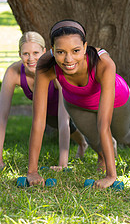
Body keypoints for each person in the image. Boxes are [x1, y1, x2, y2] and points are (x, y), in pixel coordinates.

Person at [26, 20, 130, 188]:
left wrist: (111, 176)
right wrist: (32, 172)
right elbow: (39, 120)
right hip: (77, 102)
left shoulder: (103, 63)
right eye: (60, 52)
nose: (68, 59)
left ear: (84, 47)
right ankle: (103, 157)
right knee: (94, 139)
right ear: (52, 50)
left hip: (117, 99)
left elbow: (103, 124)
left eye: (76, 51)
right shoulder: (46, 65)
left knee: (123, 135)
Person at [0, 32, 87, 170]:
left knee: (71, 123)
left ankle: (83, 144)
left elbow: (63, 120)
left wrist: (62, 164)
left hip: (72, 106)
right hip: (47, 114)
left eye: (36, 52)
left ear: (44, 52)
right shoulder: (13, 72)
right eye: (26, 53)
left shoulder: (56, 72)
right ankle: (83, 143)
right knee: (54, 122)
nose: (31, 58)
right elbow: (2, 117)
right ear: (19, 54)